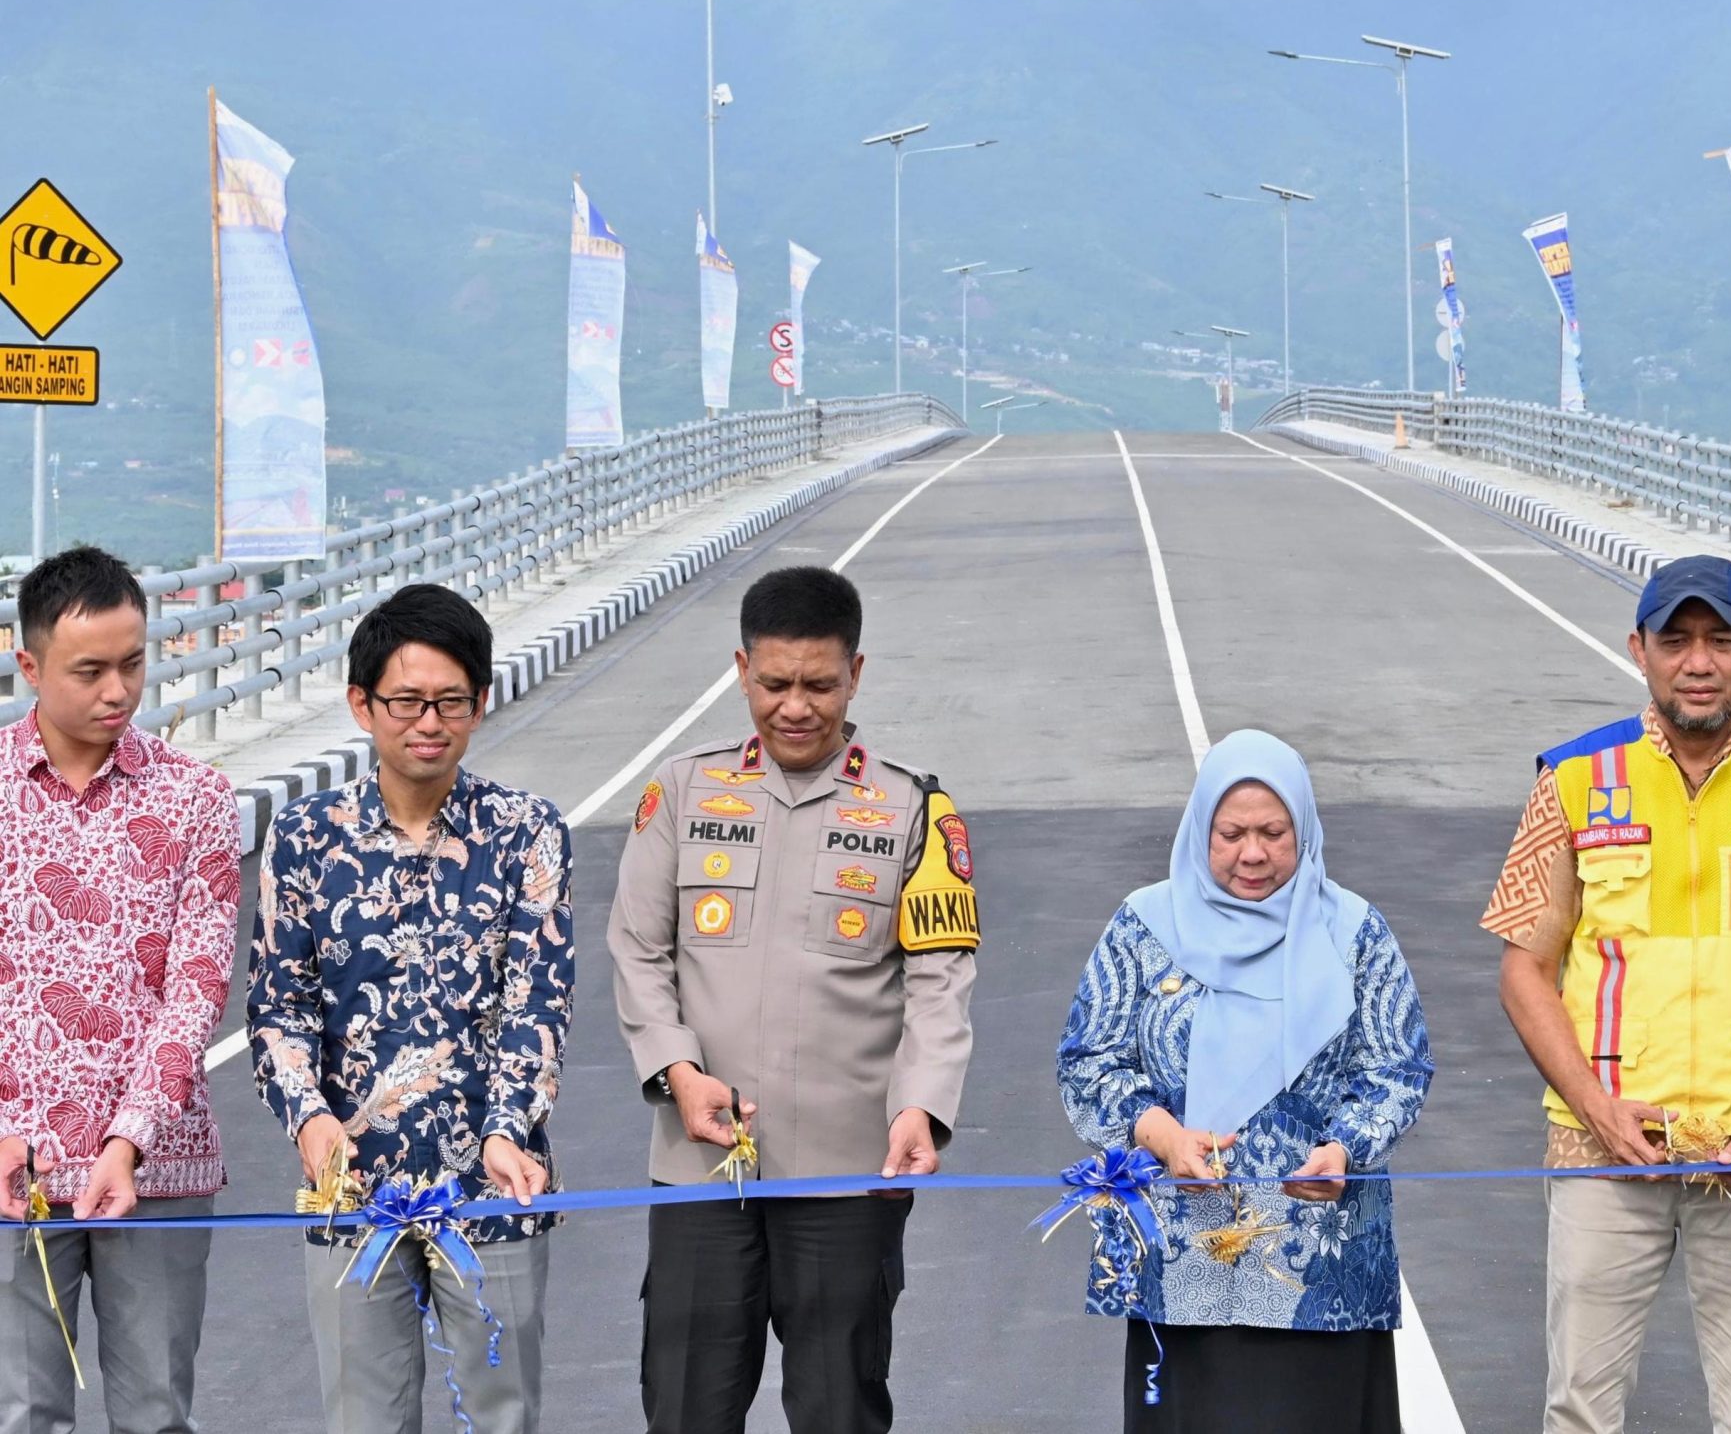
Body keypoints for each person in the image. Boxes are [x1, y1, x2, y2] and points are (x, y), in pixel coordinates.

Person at [1482, 554, 1731, 1434]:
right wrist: (1596, 1109)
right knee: (1579, 1409)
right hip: (1602, 1147)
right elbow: (1524, 969)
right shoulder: (1572, 780)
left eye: (1719, 640)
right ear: (1639, 650)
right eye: (1676, 641)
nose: (1698, 662)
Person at [607, 564, 976, 1434]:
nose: (796, 707)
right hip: (702, 1168)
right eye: (774, 684)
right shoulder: (683, 791)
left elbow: (940, 981)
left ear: (856, 673)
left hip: (849, 1172)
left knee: (838, 1410)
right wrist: (677, 1071)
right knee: (687, 1408)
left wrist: (921, 1107)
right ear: (742, 670)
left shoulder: (915, 808)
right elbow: (638, 947)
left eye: (819, 684)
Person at [248, 583, 572, 1434]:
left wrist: (508, 1130)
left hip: (493, 1185)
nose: (430, 722)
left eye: (451, 701)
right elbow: (279, 1007)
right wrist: (311, 1121)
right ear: (362, 704)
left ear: (480, 702)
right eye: (407, 701)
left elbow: (537, 1002)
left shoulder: (526, 831)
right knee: (364, 1418)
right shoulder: (304, 837)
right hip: (353, 1188)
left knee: (502, 1415)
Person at [1058, 728, 1431, 1433]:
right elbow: (1088, 1059)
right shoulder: (1144, 928)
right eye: (1231, 834)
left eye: (1273, 833)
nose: (1252, 853)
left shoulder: (1354, 933)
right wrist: (1161, 1135)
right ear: (1201, 829)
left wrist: (1346, 1148)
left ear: (1303, 831)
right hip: (1184, 1261)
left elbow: (1398, 1065)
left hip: (1320, 1267)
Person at [0, 545, 240, 1432]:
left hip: (157, 1166)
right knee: (22, 1413)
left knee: (156, 1414)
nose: (119, 691)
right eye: (90, 670)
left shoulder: (196, 797)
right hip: (11, 1171)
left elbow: (199, 985)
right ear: (29, 665)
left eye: (133, 663)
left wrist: (129, 1138)